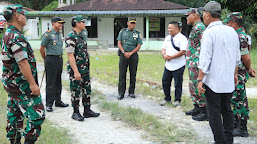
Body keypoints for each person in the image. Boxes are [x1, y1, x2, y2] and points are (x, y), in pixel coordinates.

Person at [197, 1, 241, 144]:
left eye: (203, 13)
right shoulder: (231, 31)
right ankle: (228, 140)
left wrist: (199, 80)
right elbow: (236, 57)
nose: (203, 16)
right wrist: (234, 74)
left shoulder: (209, 32)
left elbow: (205, 60)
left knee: (214, 113)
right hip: (227, 80)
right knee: (227, 109)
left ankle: (220, 141)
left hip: (213, 81)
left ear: (208, 14)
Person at [1, 4, 45, 144]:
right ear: (18, 17)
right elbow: (22, 62)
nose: (25, 17)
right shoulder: (16, 37)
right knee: (37, 115)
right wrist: (32, 84)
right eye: (24, 15)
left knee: (15, 113)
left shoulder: (8, 33)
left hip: (11, 82)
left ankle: (14, 141)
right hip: (21, 84)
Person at [224, 12, 256, 137]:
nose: (226, 25)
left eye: (227, 22)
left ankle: (242, 128)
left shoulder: (240, 36)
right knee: (235, 98)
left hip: (240, 72)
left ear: (234, 23)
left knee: (240, 98)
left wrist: (248, 69)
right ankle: (236, 123)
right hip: (235, 71)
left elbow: (245, 56)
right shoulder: (236, 35)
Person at [65, 15, 100, 121]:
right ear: (77, 24)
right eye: (83, 22)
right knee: (76, 91)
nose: (85, 24)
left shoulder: (81, 36)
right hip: (76, 70)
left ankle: (87, 110)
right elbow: (70, 55)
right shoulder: (71, 37)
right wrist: (76, 71)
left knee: (86, 90)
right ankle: (75, 112)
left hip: (84, 69)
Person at [40, 17, 69, 112]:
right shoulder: (48, 34)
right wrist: (46, 59)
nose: (61, 25)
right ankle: (49, 104)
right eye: (59, 23)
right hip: (51, 59)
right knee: (50, 82)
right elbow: (42, 48)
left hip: (59, 59)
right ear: (53, 23)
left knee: (58, 81)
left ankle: (58, 101)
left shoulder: (60, 34)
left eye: (62, 23)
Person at [184, 8, 208, 121]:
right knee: (192, 85)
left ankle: (204, 110)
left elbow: (205, 46)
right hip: (192, 61)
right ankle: (197, 106)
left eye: (188, 15)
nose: (187, 18)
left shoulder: (200, 28)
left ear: (194, 15)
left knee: (198, 85)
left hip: (197, 62)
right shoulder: (195, 27)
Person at [160, 21, 187, 107]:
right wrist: (164, 55)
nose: (169, 30)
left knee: (178, 83)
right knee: (165, 82)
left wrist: (171, 57)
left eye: (170, 28)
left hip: (179, 65)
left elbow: (183, 51)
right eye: (168, 28)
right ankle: (167, 99)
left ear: (177, 29)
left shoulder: (182, 38)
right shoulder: (168, 37)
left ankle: (177, 100)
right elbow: (163, 48)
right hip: (168, 65)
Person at [117, 17, 143, 100]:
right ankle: (121, 93)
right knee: (122, 74)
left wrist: (131, 53)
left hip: (133, 55)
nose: (132, 24)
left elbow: (139, 46)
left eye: (134, 23)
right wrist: (124, 52)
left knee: (133, 74)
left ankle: (131, 92)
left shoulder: (138, 34)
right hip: (123, 55)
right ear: (127, 23)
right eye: (131, 23)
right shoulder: (122, 32)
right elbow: (119, 43)